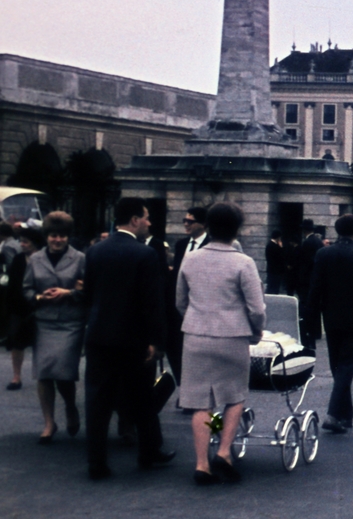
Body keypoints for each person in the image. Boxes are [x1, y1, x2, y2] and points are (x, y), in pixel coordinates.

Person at [174, 202, 266, 486]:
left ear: (209, 227)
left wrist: (196, 319)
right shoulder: (243, 263)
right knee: (234, 396)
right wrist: (256, 333)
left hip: (196, 336)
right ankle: (224, 451)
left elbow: (180, 301)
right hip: (232, 336)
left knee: (201, 401)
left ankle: (202, 462)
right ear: (237, 229)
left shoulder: (190, 259)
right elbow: (257, 308)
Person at [79, 198, 171, 479]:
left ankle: (96, 462)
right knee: (141, 398)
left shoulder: (94, 251)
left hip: (99, 336)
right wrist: (156, 341)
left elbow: (88, 295)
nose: (149, 223)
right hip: (134, 340)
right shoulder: (145, 255)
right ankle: (148, 452)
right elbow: (151, 303)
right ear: (134, 220)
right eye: (145, 217)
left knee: (98, 401)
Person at [306, 214, 353, 434]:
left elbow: (315, 289)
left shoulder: (323, 253)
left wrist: (311, 321)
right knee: (346, 367)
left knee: (337, 365)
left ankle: (346, 415)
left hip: (331, 317)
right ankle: (333, 413)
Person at [24, 212, 88, 442]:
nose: (57, 240)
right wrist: (39, 298)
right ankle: (49, 422)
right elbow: (26, 289)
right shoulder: (35, 259)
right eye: (53, 236)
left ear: (68, 237)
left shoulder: (80, 258)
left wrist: (68, 292)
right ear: (46, 237)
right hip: (44, 322)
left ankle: (70, 406)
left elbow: (88, 290)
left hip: (70, 323)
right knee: (43, 373)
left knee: (63, 373)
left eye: (62, 236)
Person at [164, 206, 209, 383]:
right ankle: (184, 385)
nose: (185, 224)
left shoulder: (210, 245)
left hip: (200, 306)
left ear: (203, 224)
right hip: (178, 307)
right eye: (184, 220)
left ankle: (195, 389)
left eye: (190, 221)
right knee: (175, 347)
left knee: (198, 352)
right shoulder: (181, 244)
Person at [4, 226, 44, 390]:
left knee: (41, 343)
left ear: (35, 243)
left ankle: (43, 375)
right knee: (17, 343)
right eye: (21, 241)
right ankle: (16, 376)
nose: (22, 244)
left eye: (25, 242)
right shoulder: (19, 259)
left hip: (39, 305)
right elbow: (13, 284)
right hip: (19, 306)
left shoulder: (43, 258)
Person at [291, 218, 324, 352]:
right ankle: (317, 331)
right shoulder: (318, 242)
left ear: (304, 230)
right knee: (316, 307)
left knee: (307, 307)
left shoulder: (307, 243)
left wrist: (300, 280)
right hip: (317, 278)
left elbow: (304, 264)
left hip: (307, 280)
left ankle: (310, 332)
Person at [265, 229, 288, 295]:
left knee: (270, 287)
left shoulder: (269, 245)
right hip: (276, 271)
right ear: (278, 237)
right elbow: (281, 257)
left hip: (271, 270)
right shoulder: (274, 246)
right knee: (274, 288)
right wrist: (281, 248)